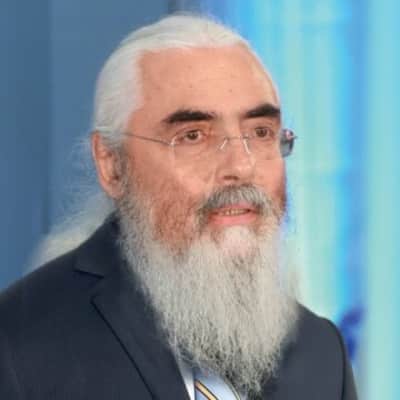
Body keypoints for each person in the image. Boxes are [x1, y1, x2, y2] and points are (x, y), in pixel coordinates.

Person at [0, 14, 357, 399]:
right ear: (112, 164)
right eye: (193, 136)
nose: (241, 166)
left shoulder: (322, 353)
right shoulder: (17, 344)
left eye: (260, 132)